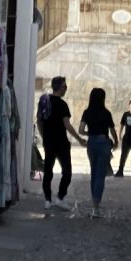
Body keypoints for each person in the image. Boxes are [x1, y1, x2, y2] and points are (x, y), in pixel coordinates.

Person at [39, 77, 84, 212]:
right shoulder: (62, 105)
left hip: (49, 142)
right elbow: (67, 125)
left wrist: (44, 136)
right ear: (60, 87)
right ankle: (60, 197)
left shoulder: (44, 101)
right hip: (61, 142)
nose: (66, 88)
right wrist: (79, 139)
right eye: (65, 86)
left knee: (48, 171)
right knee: (67, 172)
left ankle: (48, 200)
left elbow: (39, 121)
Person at [79, 88, 119, 217]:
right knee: (100, 175)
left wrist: (89, 133)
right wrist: (116, 141)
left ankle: (94, 203)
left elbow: (80, 130)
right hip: (103, 143)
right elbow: (112, 130)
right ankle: (96, 207)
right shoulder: (106, 113)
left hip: (91, 143)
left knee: (94, 173)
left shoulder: (87, 112)